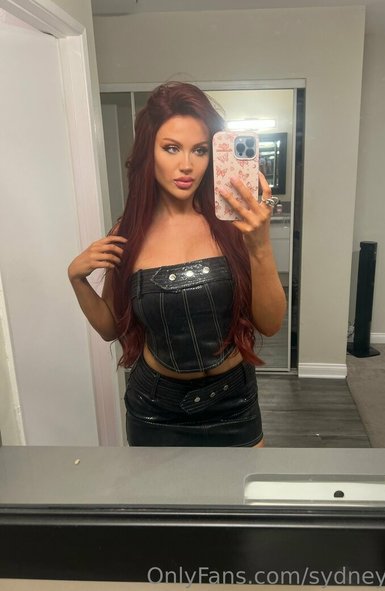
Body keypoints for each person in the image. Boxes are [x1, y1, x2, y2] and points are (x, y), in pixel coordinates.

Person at [68, 82, 286, 447]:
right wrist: (77, 279)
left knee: (244, 486)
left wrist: (260, 246)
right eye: (171, 148)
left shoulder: (235, 224)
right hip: (155, 408)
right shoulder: (128, 233)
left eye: (200, 150)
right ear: (148, 152)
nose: (187, 165)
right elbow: (110, 328)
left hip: (234, 403)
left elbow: (271, 323)